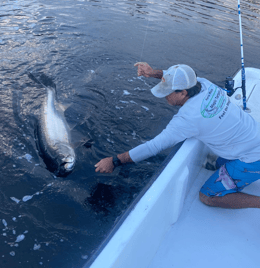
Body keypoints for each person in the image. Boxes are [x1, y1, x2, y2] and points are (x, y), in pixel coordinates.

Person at [95, 62, 260, 209]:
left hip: (252, 158)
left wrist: (114, 161)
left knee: (207, 196)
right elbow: (182, 77)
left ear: (183, 93)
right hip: (254, 136)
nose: (164, 95)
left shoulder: (187, 119)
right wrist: (153, 73)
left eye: (167, 92)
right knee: (215, 162)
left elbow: (154, 146)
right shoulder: (204, 84)